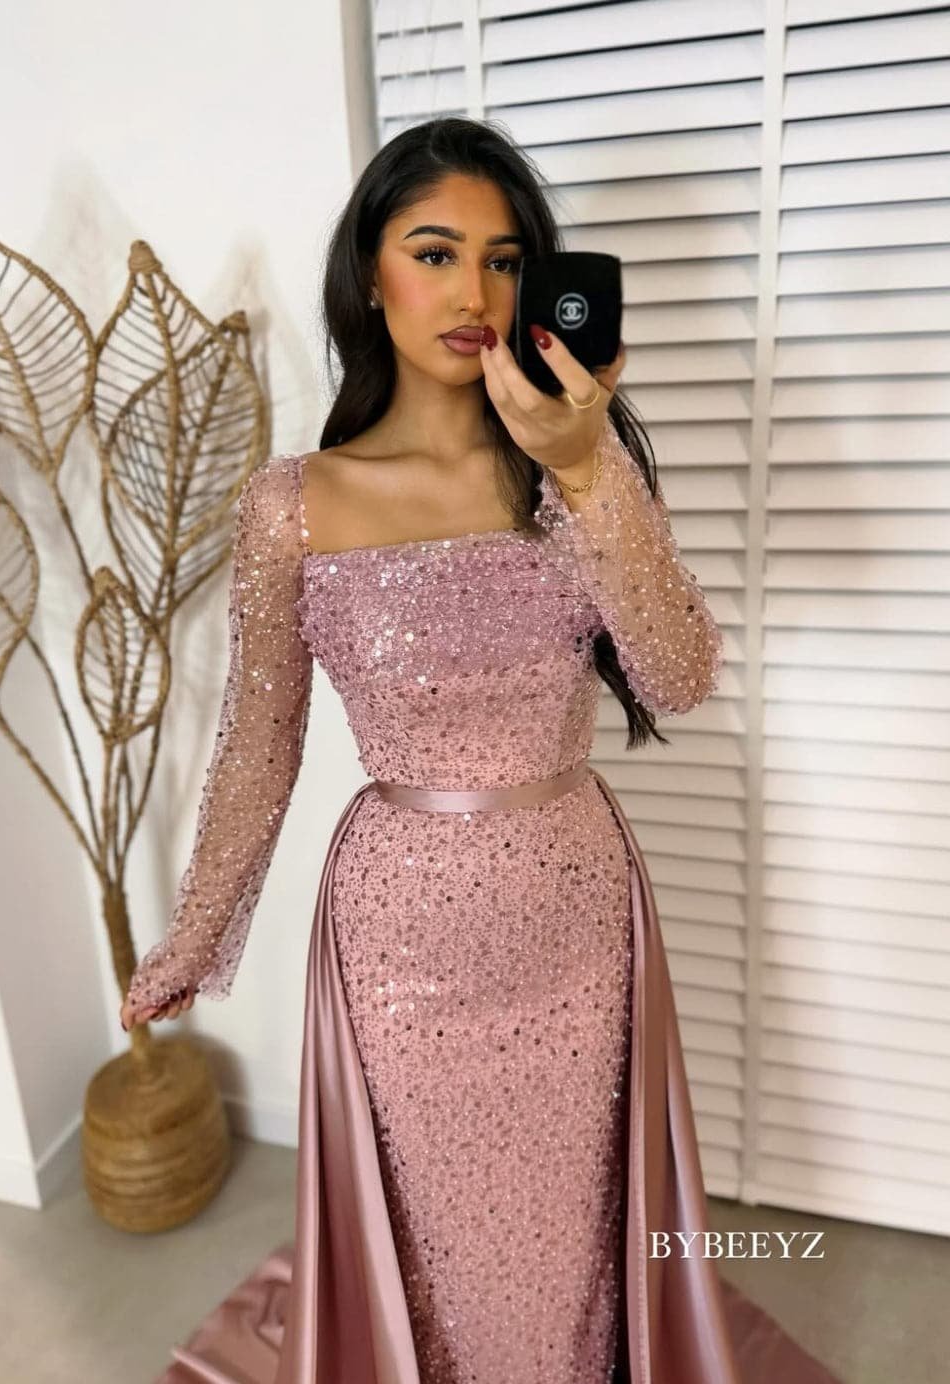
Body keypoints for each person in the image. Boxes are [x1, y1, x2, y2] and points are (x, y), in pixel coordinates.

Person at [122, 118, 842, 1384]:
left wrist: (588, 468)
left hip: (577, 917)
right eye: (435, 252)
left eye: (503, 261)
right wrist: (196, 936)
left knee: (575, 1231)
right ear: (370, 274)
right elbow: (258, 747)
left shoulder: (578, 468)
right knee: (434, 1233)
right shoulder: (292, 503)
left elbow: (678, 674)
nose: (471, 294)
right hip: (397, 936)